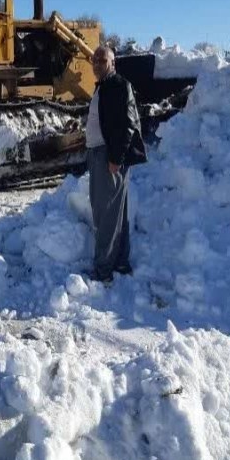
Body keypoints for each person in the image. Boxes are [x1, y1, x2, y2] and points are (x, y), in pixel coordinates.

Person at [85, 45, 147, 283]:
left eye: (102, 59)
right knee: (116, 212)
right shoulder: (105, 86)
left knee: (105, 214)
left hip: (107, 156)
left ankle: (103, 270)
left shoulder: (119, 86)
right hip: (101, 154)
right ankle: (120, 262)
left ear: (113, 62)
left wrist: (115, 159)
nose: (97, 63)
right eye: (95, 59)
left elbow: (127, 125)